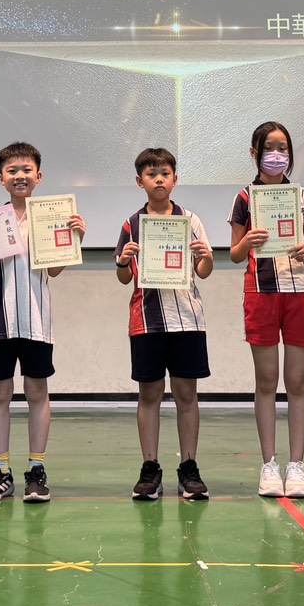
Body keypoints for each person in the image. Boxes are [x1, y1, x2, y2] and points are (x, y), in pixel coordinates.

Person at [0, 142, 85, 504]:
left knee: (37, 392)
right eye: (12, 170)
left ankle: (36, 470)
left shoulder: (51, 218)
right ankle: (0, 471)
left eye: (26, 170)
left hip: (37, 321)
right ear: (1, 179)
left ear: (39, 176)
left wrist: (74, 238)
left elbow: (55, 270)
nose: (20, 176)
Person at [228, 120, 304, 499]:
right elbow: (235, 254)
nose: (277, 155)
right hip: (261, 292)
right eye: (269, 148)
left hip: (300, 292)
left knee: (297, 383)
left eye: (283, 148)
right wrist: (248, 242)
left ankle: (297, 466)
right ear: (255, 153)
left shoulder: (302, 195)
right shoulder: (244, 198)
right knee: (266, 382)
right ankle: (269, 464)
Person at [114, 148, 214, 501]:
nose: (159, 179)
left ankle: (189, 467)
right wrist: (123, 262)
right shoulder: (132, 224)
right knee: (149, 396)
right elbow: (124, 277)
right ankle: (150, 468)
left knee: (187, 395)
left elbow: (203, 271)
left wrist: (205, 258)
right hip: (147, 322)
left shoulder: (191, 220)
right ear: (139, 181)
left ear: (175, 179)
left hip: (187, 320)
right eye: (151, 174)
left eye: (165, 173)